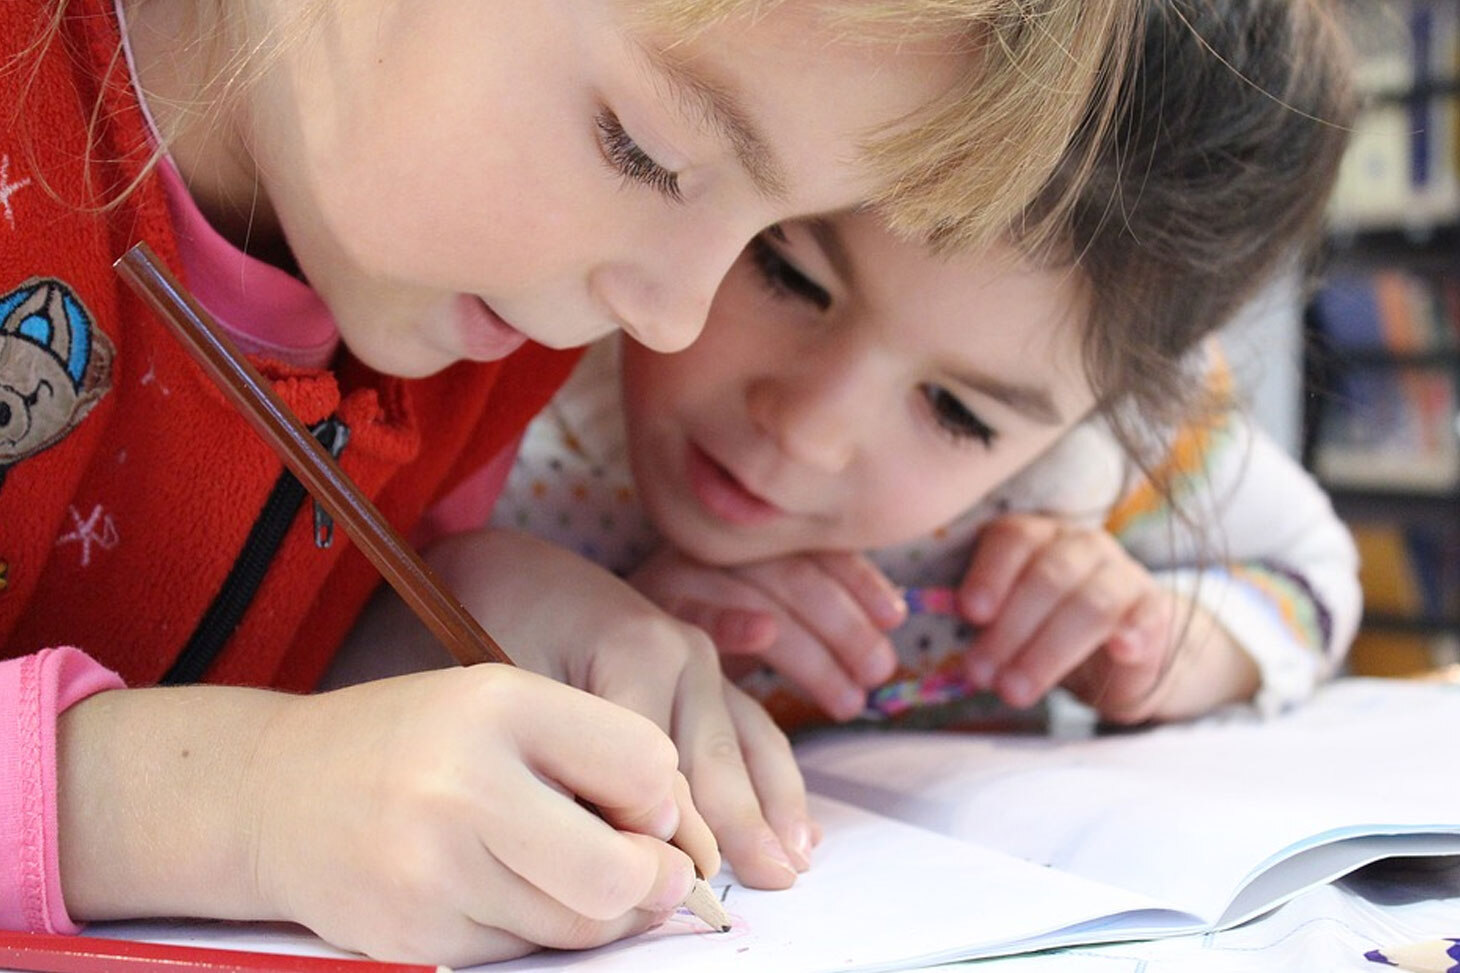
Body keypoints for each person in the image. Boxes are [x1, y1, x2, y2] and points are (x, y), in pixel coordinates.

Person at [0, 0, 1139, 965]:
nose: (671, 316)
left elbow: (214, 644)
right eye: (646, 152)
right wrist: (240, 804)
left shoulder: (490, 322)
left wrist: (437, 617)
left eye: (769, 227)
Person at [480, 0, 1361, 732]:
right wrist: (570, 628)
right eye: (787, 274)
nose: (808, 430)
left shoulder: (1103, 465)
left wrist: (1173, 644)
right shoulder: (509, 351)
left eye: (957, 412)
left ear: (1107, 411)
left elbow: (1314, 573)